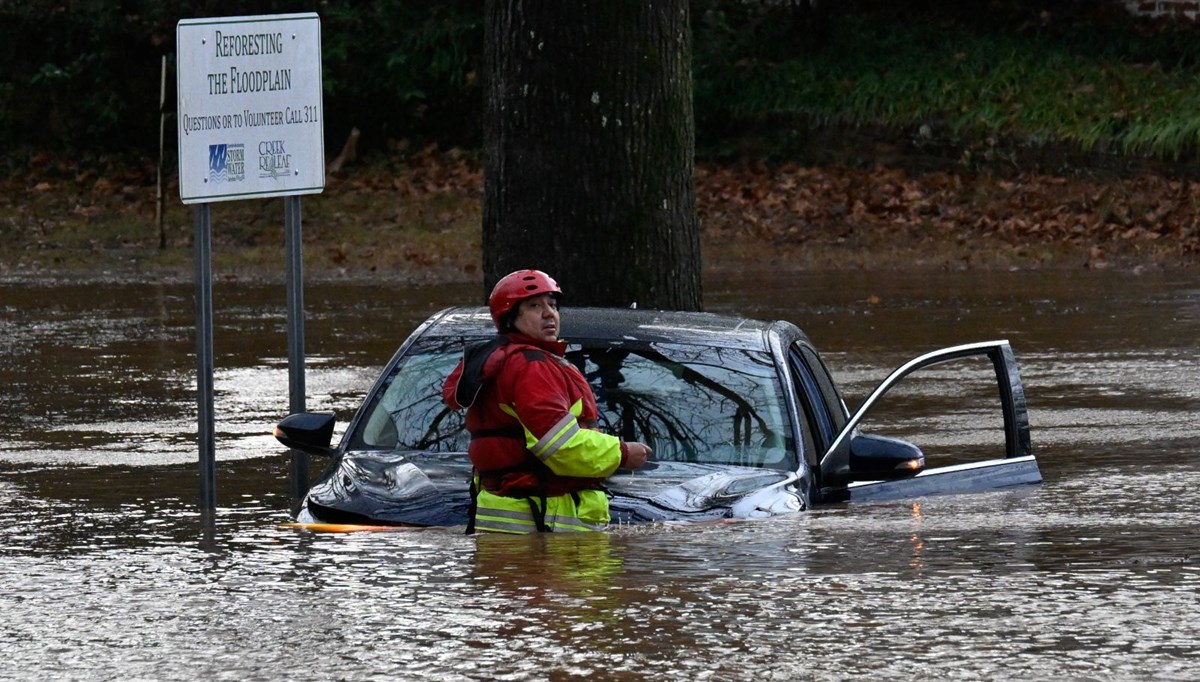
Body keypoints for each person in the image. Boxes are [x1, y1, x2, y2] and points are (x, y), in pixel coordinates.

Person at [442, 269, 651, 533]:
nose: (548, 313)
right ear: (510, 317)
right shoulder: (531, 367)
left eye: (552, 305)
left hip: (516, 524)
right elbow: (558, 445)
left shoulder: (508, 361)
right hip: (543, 523)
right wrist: (621, 453)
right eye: (534, 306)